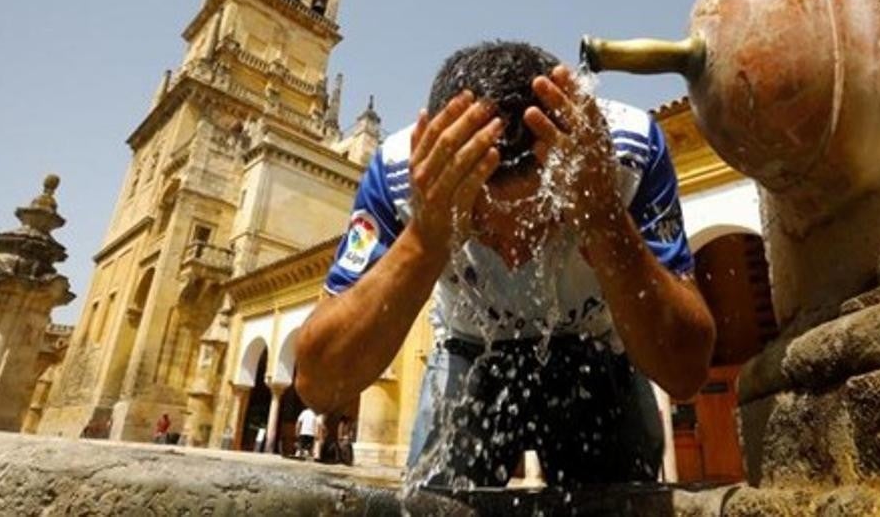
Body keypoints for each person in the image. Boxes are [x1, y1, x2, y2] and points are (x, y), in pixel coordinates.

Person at [295, 41, 716, 487]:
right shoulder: (404, 175)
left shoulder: (623, 154)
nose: (515, 254)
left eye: (540, 221)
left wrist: (605, 220)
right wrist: (425, 237)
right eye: (482, 228)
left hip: (596, 346)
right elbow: (321, 386)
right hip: (467, 348)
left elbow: (685, 373)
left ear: (568, 178)